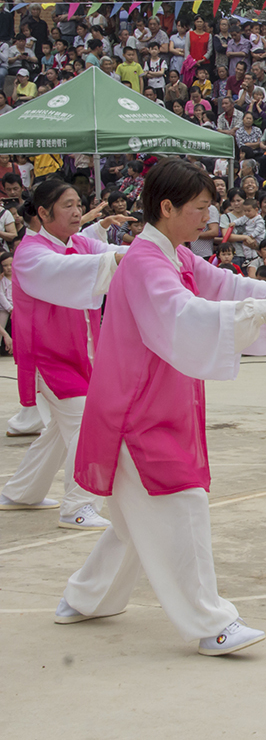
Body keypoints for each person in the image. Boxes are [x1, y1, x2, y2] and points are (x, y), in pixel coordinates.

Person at [60, 158, 266, 654]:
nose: (208, 218)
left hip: (154, 403)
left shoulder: (175, 256)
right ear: (167, 207)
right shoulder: (145, 263)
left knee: (135, 520)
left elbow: (223, 284)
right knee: (180, 504)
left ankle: (84, 597)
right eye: (201, 208)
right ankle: (210, 624)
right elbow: (185, 315)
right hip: (135, 412)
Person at [0, 183, 128, 528]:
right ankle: (77, 507)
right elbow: (76, 270)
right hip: (50, 357)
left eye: (78, 205)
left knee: (60, 430)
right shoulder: (31, 254)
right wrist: (114, 258)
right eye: (68, 206)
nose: (76, 212)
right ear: (43, 213)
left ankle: (22, 491)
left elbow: (103, 251)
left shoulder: (78, 243)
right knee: (86, 425)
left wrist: (140, 250)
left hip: (79, 353)